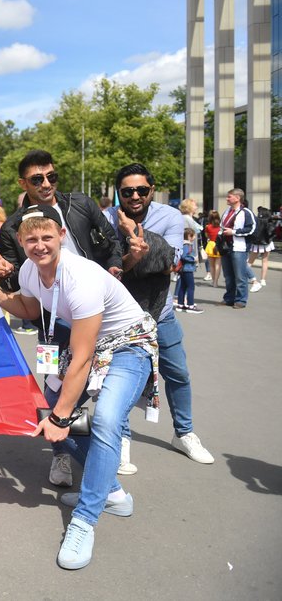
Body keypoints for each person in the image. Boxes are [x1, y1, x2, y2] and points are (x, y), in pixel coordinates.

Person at [0, 204, 157, 570]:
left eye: (47, 236)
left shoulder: (81, 276)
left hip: (128, 343)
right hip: (89, 346)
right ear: (20, 241)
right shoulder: (31, 272)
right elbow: (30, 309)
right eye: (30, 238)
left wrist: (61, 416)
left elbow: (80, 359)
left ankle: (84, 520)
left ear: (61, 237)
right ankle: (111, 492)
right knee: (49, 411)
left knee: (106, 421)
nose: (39, 245)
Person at [0, 149, 122, 484]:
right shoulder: (12, 227)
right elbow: (18, 283)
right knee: (54, 393)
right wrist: (2, 276)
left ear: (60, 236)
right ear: (23, 183)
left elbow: (111, 242)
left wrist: (115, 266)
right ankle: (62, 456)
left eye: (52, 176)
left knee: (104, 389)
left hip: (92, 311)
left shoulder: (80, 203)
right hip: (50, 326)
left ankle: (110, 447)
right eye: (38, 179)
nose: (47, 183)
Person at [105, 163, 214, 468]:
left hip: (160, 313)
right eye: (127, 191)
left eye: (142, 190)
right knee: (120, 380)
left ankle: (184, 433)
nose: (135, 196)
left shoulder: (170, 216)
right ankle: (122, 437)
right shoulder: (105, 218)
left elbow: (171, 263)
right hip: (120, 319)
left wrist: (132, 235)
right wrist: (138, 257)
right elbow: (109, 268)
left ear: (151, 189)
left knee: (178, 375)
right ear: (119, 194)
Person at [218, 188, 257, 308]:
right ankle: (229, 298)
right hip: (226, 247)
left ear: (237, 198)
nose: (227, 199)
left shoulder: (246, 212)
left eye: (229, 196)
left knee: (240, 276)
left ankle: (241, 300)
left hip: (239, 248)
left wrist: (233, 232)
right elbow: (221, 226)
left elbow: (251, 229)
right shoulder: (227, 212)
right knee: (228, 276)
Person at [246, 205, 274, 293]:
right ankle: (263, 280)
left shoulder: (256, 221)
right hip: (267, 243)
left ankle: (244, 276)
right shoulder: (269, 222)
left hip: (256, 243)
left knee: (250, 261)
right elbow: (271, 233)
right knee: (265, 261)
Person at [175, 229, 201, 313]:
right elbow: (184, 256)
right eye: (193, 236)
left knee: (183, 286)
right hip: (187, 269)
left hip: (183, 269)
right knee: (191, 287)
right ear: (189, 236)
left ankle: (180, 304)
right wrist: (193, 259)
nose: (194, 238)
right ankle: (190, 305)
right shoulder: (187, 245)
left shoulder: (183, 244)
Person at [203, 210, 222, 286]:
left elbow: (206, 236)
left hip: (210, 245)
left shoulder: (208, 227)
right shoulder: (221, 226)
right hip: (219, 245)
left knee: (211, 265)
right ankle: (216, 282)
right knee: (218, 265)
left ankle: (213, 280)